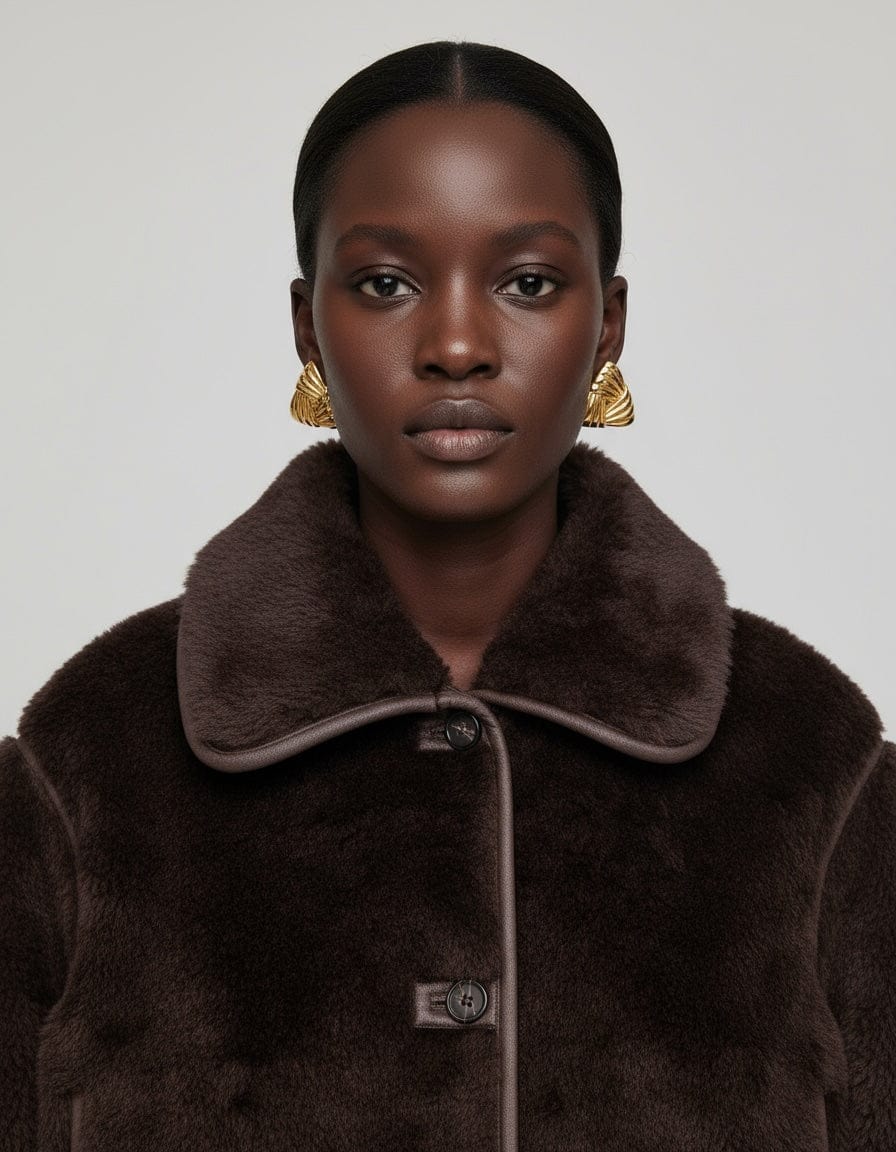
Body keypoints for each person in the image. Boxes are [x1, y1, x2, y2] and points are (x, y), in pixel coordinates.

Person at [1, 39, 892, 1152]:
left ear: (606, 323)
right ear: (304, 325)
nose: (459, 344)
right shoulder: (84, 763)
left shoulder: (815, 766)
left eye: (527, 282)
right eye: (385, 283)